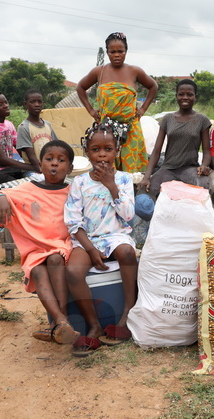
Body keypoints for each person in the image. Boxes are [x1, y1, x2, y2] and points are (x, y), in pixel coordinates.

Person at [0, 140, 80, 344]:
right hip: (37, 248)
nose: (54, 164)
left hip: (62, 244)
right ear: (40, 165)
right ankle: (61, 322)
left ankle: (58, 323)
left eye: (61, 160)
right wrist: (2, 198)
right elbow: (1, 193)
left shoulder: (73, 192)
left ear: (70, 168)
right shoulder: (29, 188)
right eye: (49, 159)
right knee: (37, 270)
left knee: (55, 260)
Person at [64, 118, 138, 356]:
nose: (102, 156)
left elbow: (127, 215)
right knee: (74, 272)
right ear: (87, 153)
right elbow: (74, 222)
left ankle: (127, 312)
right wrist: (90, 249)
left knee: (127, 253)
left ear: (117, 151)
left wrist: (111, 186)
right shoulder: (79, 182)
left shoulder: (125, 179)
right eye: (96, 150)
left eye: (108, 149)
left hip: (115, 235)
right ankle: (94, 324)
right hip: (87, 239)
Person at [76, 32, 158, 173]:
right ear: (107, 52)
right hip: (106, 130)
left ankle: (132, 193)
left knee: (132, 171)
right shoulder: (99, 72)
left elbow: (153, 86)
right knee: (107, 166)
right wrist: (91, 110)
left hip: (130, 130)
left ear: (126, 51)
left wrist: (143, 109)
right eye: (112, 51)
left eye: (120, 51)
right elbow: (80, 87)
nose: (117, 55)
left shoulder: (134, 71)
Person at [137, 79, 212, 197]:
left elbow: (207, 151)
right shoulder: (168, 119)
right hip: (168, 169)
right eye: (181, 94)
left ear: (195, 97)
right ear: (176, 96)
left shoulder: (202, 120)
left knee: (202, 189)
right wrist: (147, 176)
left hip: (190, 168)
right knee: (145, 194)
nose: (185, 97)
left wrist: (204, 166)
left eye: (189, 94)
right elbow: (156, 151)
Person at [0, 90, 37, 187]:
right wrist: (31, 167)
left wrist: (36, 163)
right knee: (20, 188)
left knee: (36, 181)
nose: (5, 106)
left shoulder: (9, 125)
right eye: (0, 104)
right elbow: (2, 159)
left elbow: (20, 148)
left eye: (6, 102)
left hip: (10, 169)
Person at [16, 89, 58, 172]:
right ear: (25, 104)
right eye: (32, 102)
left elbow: (56, 146)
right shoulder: (24, 127)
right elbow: (31, 157)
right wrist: (43, 170)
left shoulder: (47, 125)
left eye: (39, 102)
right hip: (34, 170)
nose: (37, 105)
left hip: (50, 167)